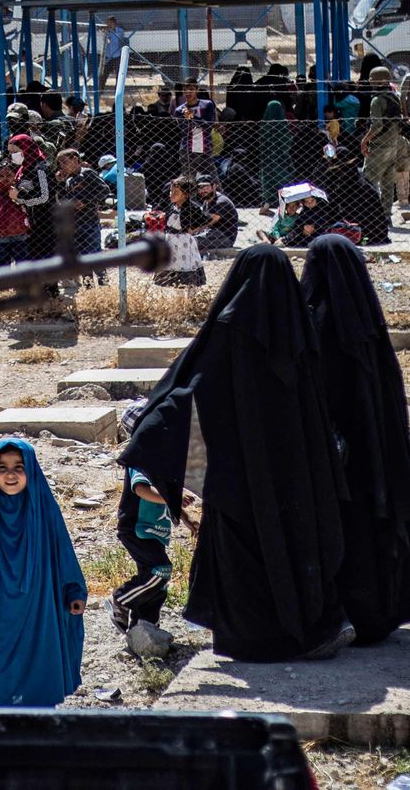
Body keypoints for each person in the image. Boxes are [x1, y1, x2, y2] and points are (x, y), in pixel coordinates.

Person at [120, 246, 353, 663]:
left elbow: (188, 390)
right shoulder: (300, 333)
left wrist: (151, 437)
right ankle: (311, 632)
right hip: (299, 470)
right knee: (296, 546)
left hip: (238, 473)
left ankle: (256, 642)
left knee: (245, 553)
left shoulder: (229, 330)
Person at [300, 235, 410, 644]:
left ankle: (344, 615)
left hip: (336, 458)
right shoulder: (371, 327)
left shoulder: (316, 323)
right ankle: (380, 614)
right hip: (377, 456)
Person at [0, 439, 87, 708]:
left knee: (39, 672)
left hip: (39, 611)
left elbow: (63, 552)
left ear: (30, 471)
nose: (10, 475)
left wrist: (74, 590)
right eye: (2, 468)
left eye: (19, 467)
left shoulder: (44, 510)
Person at [110, 402, 196, 632]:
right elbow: (141, 490)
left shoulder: (160, 461)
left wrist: (187, 519)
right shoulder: (139, 459)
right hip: (136, 529)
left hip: (153, 531)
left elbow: (167, 494)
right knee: (160, 570)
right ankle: (122, 599)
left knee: (156, 584)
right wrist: (174, 498)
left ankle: (145, 628)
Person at [362, 74, 409, 216]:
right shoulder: (394, 97)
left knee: (368, 182)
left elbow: (377, 125)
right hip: (394, 145)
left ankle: (368, 215)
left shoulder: (376, 100)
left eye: (371, 79)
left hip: (379, 147)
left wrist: (364, 140)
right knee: (388, 184)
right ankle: (386, 215)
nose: (370, 82)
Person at [6, 134, 54, 263]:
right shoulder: (24, 169)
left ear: (26, 149)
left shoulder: (40, 169)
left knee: (45, 260)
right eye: (10, 152)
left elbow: (44, 196)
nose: (12, 155)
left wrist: (19, 197)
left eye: (15, 151)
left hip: (45, 222)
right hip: (31, 223)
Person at [153, 177, 206, 287]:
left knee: (185, 265)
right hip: (170, 241)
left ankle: (189, 292)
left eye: (176, 192)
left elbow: (204, 221)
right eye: (171, 191)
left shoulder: (192, 208)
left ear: (185, 194)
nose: (171, 194)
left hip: (184, 243)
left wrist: (192, 230)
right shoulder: (172, 206)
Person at [54, 148, 106, 259]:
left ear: (75, 159)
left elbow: (104, 190)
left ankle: (102, 276)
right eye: (60, 164)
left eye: (65, 162)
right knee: (81, 255)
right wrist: (60, 183)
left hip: (90, 220)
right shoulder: (68, 179)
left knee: (94, 252)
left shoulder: (87, 173)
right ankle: (88, 277)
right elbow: (62, 199)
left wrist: (85, 201)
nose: (62, 166)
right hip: (75, 222)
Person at [0, 160, 30, 266]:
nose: (5, 179)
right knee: (3, 265)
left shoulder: (20, 192)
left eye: (9, 175)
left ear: (15, 176)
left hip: (19, 233)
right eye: (1, 176)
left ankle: (21, 282)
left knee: (21, 264)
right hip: (2, 234)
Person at [173, 81, 217, 178]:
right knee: (189, 182)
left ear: (197, 90)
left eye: (191, 89)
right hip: (188, 150)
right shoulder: (179, 110)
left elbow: (208, 126)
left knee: (213, 181)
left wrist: (191, 116)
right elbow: (184, 131)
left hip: (205, 149)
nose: (188, 92)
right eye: (185, 90)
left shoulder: (207, 105)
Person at [192, 175, 237, 251]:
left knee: (190, 243)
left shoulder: (221, 202)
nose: (202, 190)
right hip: (211, 233)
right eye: (199, 187)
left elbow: (207, 222)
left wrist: (190, 231)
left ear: (214, 186)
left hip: (224, 237)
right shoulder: (206, 201)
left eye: (205, 186)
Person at [100, 16, 127, 88]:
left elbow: (120, 41)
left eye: (110, 23)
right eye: (108, 23)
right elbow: (106, 42)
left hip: (117, 55)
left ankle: (118, 89)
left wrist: (112, 32)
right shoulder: (106, 32)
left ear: (114, 23)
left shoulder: (120, 31)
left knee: (119, 74)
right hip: (109, 56)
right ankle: (101, 89)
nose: (109, 25)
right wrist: (106, 34)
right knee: (104, 74)